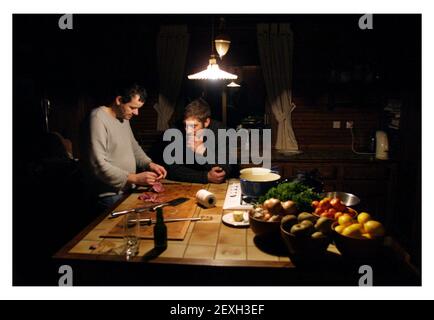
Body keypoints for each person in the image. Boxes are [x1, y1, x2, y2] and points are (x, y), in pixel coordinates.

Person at [81, 84, 167, 210]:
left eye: (138, 108)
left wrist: (150, 164)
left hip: (127, 190)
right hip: (108, 195)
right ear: (119, 100)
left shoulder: (123, 118)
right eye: (132, 107)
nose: (136, 113)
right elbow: (97, 165)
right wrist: (135, 178)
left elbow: (134, 147)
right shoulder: (97, 118)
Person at [165, 98, 235, 184]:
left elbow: (227, 168)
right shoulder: (176, 131)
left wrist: (204, 151)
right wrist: (206, 177)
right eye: (186, 125)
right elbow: (173, 170)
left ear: (206, 122)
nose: (188, 131)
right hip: (186, 184)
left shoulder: (222, 132)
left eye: (194, 126)